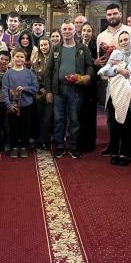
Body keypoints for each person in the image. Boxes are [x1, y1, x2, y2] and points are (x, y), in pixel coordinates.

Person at [43, 21, 94, 159]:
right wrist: (48, 91)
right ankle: (59, 146)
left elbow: (90, 66)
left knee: (75, 119)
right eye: (64, 29)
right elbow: (48, 71)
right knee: (59, 119)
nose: (67, 31)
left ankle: (73, 147)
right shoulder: (55, 48)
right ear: (61, 31)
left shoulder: (82, 48)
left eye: (69, 29)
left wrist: (87, 76)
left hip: (76, 90)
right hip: (58, 89)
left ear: (74, 31)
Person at [99, 31, 131, 165]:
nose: (124, 42)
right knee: (114, 124)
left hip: (128, 95)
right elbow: (104, 73)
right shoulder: (115, 54)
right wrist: (117, 71)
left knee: (126, 124)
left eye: (126, 39)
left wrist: (127, 84)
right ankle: (114, 150)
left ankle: (126, 152)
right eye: (121, 40)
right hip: (113, 94)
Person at [3, 48, 39, 158]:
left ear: (25, 58)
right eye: (17, 56)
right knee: (13, 127)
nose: (19, 59)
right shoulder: (8, 74)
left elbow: (35, 87)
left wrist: (25, 88)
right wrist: (8, 104)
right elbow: (4, 90)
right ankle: (14, 146)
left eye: (22, 57)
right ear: (13, 58)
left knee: (25, 126)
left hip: (26, 105)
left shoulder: (29, 73)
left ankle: (24, 146)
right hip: (12, 106)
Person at [77, 22, 98, 152]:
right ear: (80, 32)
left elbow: (100, 64)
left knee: (90, 115)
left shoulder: (96, 46)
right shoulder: (76, 45)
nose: (86, 33)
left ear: (92, 32)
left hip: (91, 84)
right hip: (78, 84)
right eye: (84, 30)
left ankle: (90, 143)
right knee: (78, 114)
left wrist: (94, 63)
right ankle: (78, 141)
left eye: (88, 31)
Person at [31, 37, 53, 152]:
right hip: (38, 94)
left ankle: (47, 141)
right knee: (39, 118)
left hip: (51, 93)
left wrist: (48, 91)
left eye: (46, 45)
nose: (44, 47)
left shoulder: (54, 59)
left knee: (48, 119)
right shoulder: (36, 60)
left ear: (50, 45)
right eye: (42, 45)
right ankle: (39, 141)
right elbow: (33, 77)